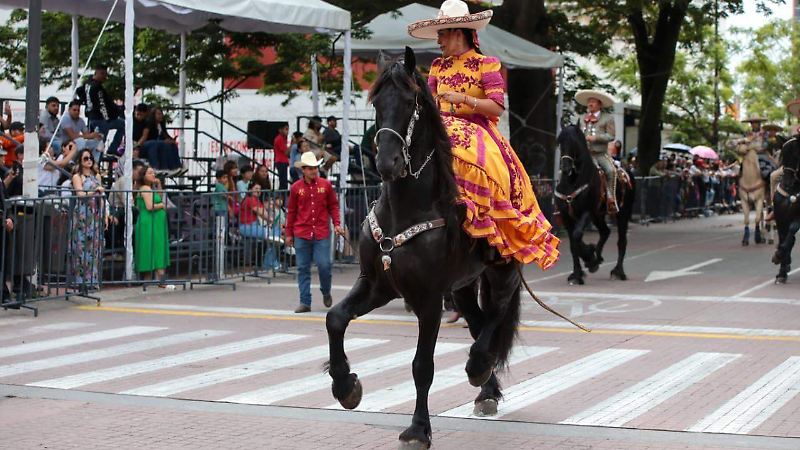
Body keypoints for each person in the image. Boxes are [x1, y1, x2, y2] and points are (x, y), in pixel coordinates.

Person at [408, 0, 559, 270]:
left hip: (477, 128)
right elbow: (429, 103)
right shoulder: (437, 66)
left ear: (457, 32)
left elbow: (497, 106)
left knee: (482, 164)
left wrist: (463, 98)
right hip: (440, 126)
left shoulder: (486, 64)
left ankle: (486, 227)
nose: (438, 40)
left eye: (441, 34)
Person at [285, 151, 345, 313]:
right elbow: (291, 211)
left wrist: (337, 223)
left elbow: (333, 205)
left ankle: (326, 291)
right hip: (302, 232)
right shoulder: (296, 188)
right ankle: (305, 302)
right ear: (303, 170)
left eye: (315, 168)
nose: (313, 171)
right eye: (310, 168)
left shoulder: (325, 185)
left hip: (321, 231)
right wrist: (289, 233)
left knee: (324, 265)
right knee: (303, 268)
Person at [575, 89, 618, 214]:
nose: (590, 104)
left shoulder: (607, 118)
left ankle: (611, 197)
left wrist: (596, 138)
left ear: (599, 104)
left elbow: (611, 136)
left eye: (593, 102)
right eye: (589, 102)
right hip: (584, 155)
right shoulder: (582, 118)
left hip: (600, 154)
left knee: (611, 171)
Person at [71, 149, 108, 289]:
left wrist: (104, 214)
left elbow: (102, 197)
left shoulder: (96, 176)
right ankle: (80, 281)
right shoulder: (77, 176)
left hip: (95, 213)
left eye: (90, 158)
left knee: (94, 248)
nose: (89, 160)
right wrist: (95, 191)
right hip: (82, 212)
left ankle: (92, 280)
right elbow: (80, 194)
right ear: (80, 160)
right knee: (81, 247)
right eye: (86, 158)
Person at [135, 166, 171, 285]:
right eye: (150, 173)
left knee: (157, 247)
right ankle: (160, 280)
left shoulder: (151, 188)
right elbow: (150, 206)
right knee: (153, 247)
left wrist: (159, 184)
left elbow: (159, 197)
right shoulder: (145, 188)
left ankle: (154, 280)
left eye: (154, 173)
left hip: (156, 222)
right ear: (143, 175)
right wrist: (161, 206)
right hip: (150, 221)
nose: (153, 175)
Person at [81, 64, 125, 155]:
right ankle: (100, 156)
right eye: (102, 74)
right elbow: (102, 105)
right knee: (99, 142)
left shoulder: (87, 84)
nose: (104, 77)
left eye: (105, 74)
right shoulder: (97, 87)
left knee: (96, 140)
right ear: (96, 72)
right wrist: (107, 118)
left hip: (92, 116)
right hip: (100, 118)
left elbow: (79, 91)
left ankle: (108, 151)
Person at [239, 181, 281, 271]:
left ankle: (270, 263)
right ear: (250, 190)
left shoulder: (256, 200)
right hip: (247, 227)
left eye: (259, 189)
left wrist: (271, 221)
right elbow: (262, 213)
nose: (258, 191)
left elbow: (265, 214)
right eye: (256, 189)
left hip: (253, 226)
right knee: (274, 235)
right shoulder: (250, 200)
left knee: (274, 236)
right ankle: (271, 263)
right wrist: (272, 220)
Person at [142, 107, 184, 174]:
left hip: (158, 143)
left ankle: (176, 166)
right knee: (158, 144)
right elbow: (145, 137)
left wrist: (171, 140)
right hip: (149, 144)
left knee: (171, 145)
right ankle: (156, 167)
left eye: (161, 114)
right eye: (158, 114)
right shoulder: (149, 124)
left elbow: (165, 135)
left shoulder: (160, 125)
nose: (161, 116)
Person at [273, 123, 290, 190]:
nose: (287, 131)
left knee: (284, 181)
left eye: (288, 129)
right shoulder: (279, 139)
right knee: (283, 182)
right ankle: (281, 197)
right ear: (280, 130)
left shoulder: (283, 139)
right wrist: (292, 144)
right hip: (281, 161)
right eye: (286, 129)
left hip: (283, 161)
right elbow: (286, 152)